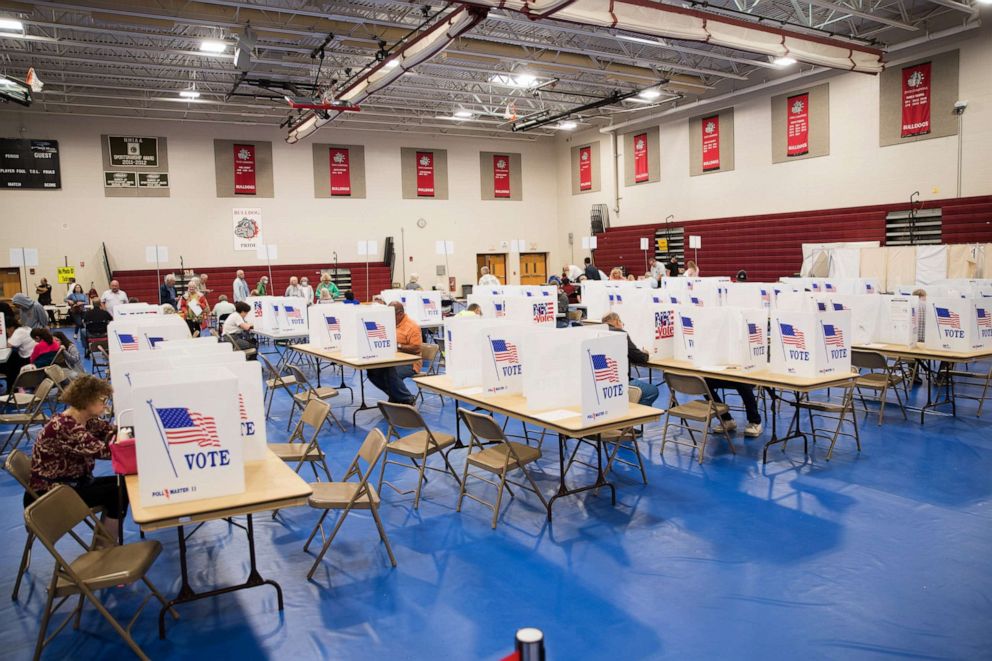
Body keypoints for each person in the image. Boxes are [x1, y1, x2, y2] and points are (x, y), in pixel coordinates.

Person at [27, 375, 128, 541]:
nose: (106, 404)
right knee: (118, 491)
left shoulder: (84, 420)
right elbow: (107, 452)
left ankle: (104, 540)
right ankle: (106, 545)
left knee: (121, 485)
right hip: (50, 495)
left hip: (69, 484)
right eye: (102, 399)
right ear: (87, 400)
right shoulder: (66, 427)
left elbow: (111, 431)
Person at [367, 302, 421, 405]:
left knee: (390, 372)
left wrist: (397, 346)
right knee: (373, 372)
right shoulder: (389, 323)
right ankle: (396, 396)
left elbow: (416, 348)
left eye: (390, 314)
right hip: (392, 359)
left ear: (400, 314)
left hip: (410, 363)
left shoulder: (412, 326)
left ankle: (407, 399)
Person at [600, 313, 659, 406]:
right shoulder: (620, 334)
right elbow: (638, 357)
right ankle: (636, 415)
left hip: (602, 383)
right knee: (652, 391)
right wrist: (646, 354)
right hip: (621, 382)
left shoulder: (597, 333)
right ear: (616, 321)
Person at [3, 314, 35, 389]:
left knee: (8, 364)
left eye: (6, 330)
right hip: (32, 356)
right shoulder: (24, 328)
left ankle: (13, 386)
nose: (6, 333)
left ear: (11, 328)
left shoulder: (19, 332)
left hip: (28, 359)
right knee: (13, 356)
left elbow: (8, 345)